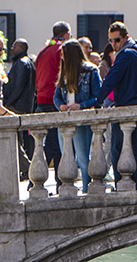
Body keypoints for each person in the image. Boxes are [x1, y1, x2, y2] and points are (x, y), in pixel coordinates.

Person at [92, 22, 137, 189]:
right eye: (110, 41)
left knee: (118, 147)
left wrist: (98, 101)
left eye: (116, 40)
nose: (113, 44)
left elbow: (112, 78)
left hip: (125, 107)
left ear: (125, 37)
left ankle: (121, 184)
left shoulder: (124, 54)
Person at [54, 39, 102, 191]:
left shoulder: (91, 71)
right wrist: (60, 105)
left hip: (82, 119)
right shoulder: (64, 72)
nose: (61, 57)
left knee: (82, 156)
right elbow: (56, 95)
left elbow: (98, 97)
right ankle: (69, 187)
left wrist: (81, 106)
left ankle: (87, 188)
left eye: (63, 54)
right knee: (66, 155)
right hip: (66, 119)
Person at [35, 21, 71, 182]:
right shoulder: (61, 50)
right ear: (67, 34)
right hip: (54, 100)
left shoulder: (43, 51)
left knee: (51, 142)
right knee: (55, 144)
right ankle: (55, 181)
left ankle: (55, 180)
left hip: (42, 99)